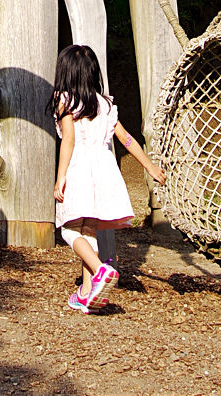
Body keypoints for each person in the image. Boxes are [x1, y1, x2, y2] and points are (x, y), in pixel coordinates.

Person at [49, 43, 165, 313]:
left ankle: (101, 270)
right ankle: (88, 293)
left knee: (68, 229)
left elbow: (69, 142)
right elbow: (126, 139)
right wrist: (150, 167)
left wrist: (60, 177)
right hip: (103, 168)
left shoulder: (64, 100)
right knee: (88, 230)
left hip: (79, 167)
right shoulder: (105, 104)